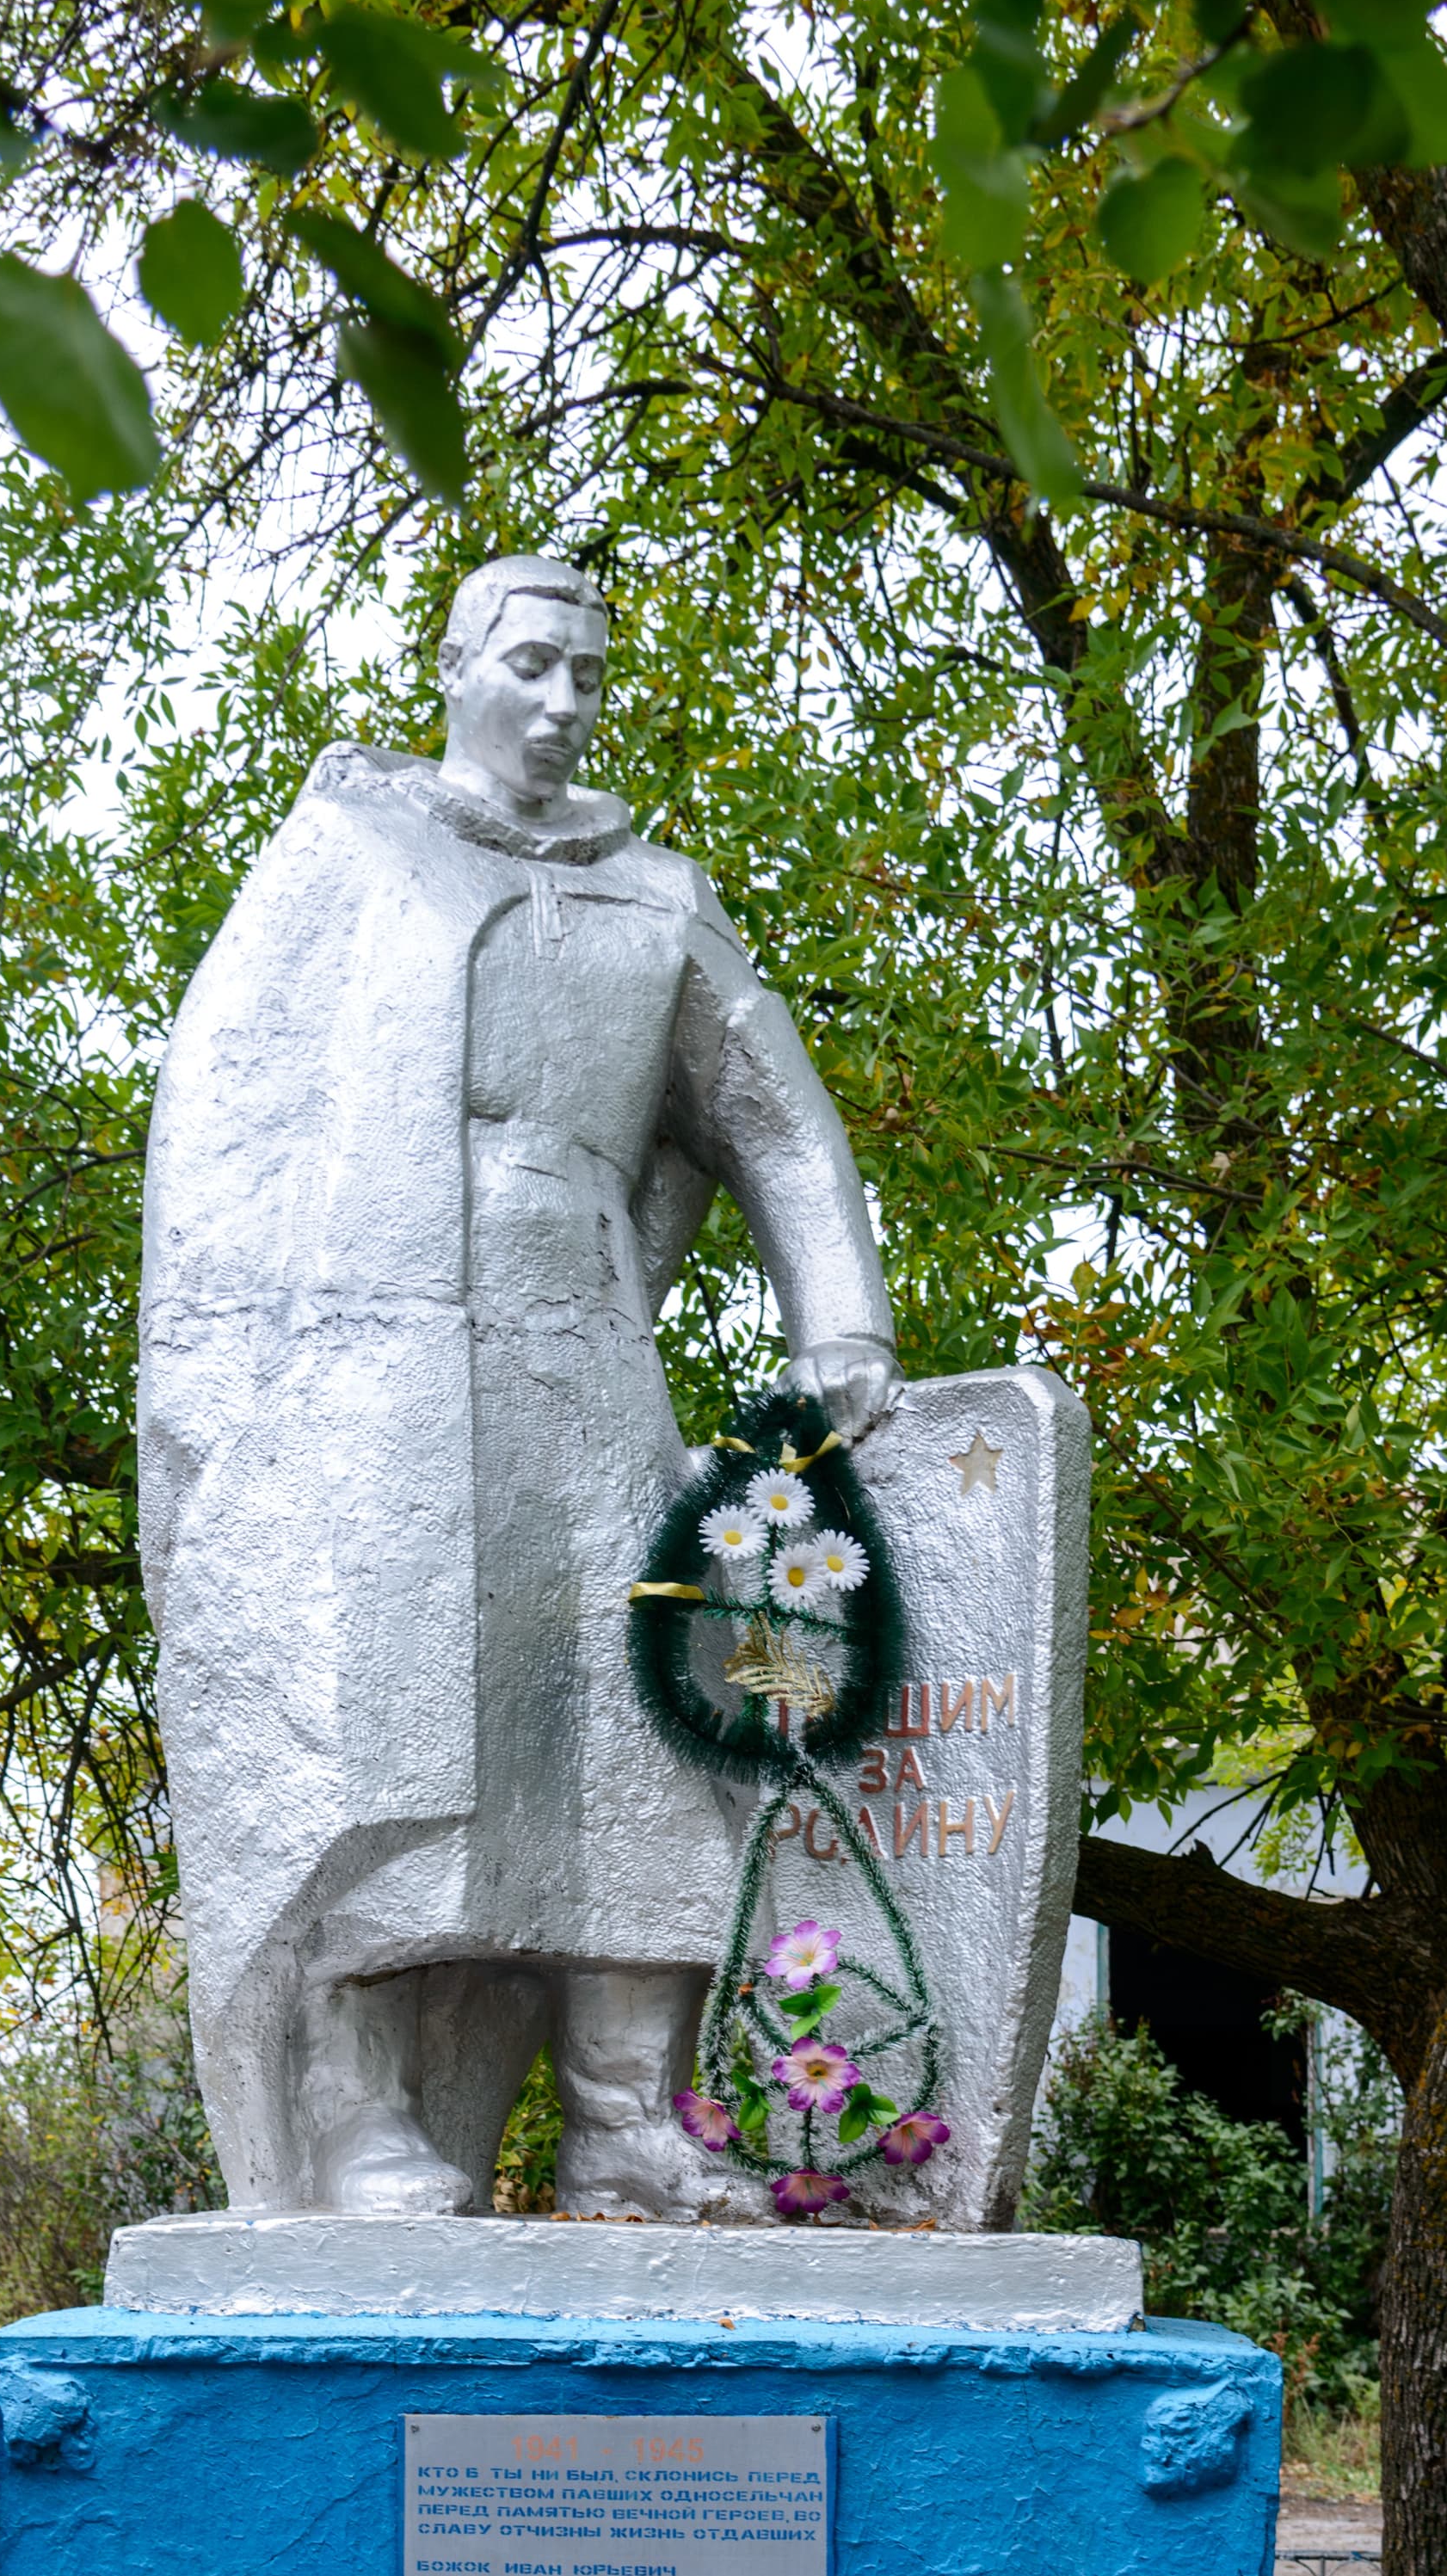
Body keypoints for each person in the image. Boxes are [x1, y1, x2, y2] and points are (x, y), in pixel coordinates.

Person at [139, 553, 902, 2216]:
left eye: (588, 678)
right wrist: (227, 1386)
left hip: (579, 1346)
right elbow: (226, 1121)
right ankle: (354, 2115)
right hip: (374, 1349)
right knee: (380, 1722)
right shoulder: (353, 852)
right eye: (532, 666)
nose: (562, 705)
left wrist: (837, 1310)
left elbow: (766, 1107)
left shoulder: (653, 895)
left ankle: (628, 2119)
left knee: (627, 1716)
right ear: (457, 667)